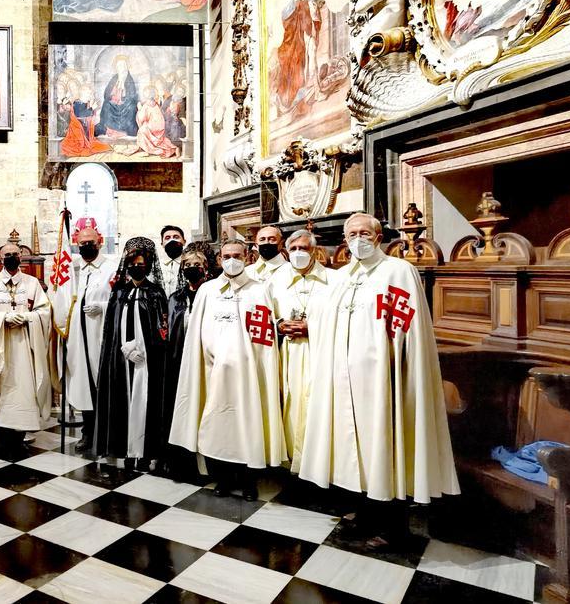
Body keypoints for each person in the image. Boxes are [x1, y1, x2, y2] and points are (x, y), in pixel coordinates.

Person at [300, 213, 458, 545]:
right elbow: (323, 322)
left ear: (378, 236)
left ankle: (392, 527)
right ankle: (364, 515)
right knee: (351, 448)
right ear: (345, 239)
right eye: (352, 233)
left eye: (364, 233)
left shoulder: (399, 272)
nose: (358, 238)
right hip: (343, 380)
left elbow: (407, 327)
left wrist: (393, 365)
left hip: (384, 380)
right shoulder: (340, 278)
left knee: (385, 446)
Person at [169, 239, 285, 501]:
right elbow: (196, 335)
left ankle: (248, 482)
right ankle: (221, 479)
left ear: (247, 257)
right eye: (227, 256)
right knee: (216, 425)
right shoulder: (208, 291)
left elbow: (265, 339)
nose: (232, 260)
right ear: (219, 260)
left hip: (248, 376)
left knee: (248, 425)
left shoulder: (259, 290)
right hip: (213, 373)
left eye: (238, 255)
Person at [94, 237, 170, 471]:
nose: (137, 267)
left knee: (145, 403)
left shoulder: (156, 293)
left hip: (147, 361)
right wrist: (124, 349)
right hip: (121, 360)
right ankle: (126, 450)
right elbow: (111, 328)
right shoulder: (119, 293)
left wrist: (144, 349)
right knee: (123, 403)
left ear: (148, 265)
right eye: (133, 263)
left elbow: (161, 329)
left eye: (141, 263)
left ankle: (145, 453)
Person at [263, 230, 336, 474]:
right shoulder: (274, 281)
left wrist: (311, 327)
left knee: (317, 404)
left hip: (321, 353)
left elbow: (342, 320)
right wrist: (279, 326)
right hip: (287, 353)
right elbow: (264, 319)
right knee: (289, 403)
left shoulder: (334, 281)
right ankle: (289, 461)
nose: (298, 254)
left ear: (314, 251)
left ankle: (317, 462)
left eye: (303, 249)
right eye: (293, 249)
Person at [0, 243, 54, 456]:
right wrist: (2, 318)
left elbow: (44, 313)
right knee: (0, 388)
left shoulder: (32, 283)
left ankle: (18, 436)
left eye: (14, 254)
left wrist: (27, 318)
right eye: (7, 254)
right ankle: (1, 436)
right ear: (1, 259)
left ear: (21, 257)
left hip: (24, 347)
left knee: (22, 389)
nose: (11, 257)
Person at [51, 225, 117, 450]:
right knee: (84, 385)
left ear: (100, 241)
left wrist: (104, 307)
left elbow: (123, 299)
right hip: (79, 339)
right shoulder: (73, 269)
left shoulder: (112, 267)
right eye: (82, 244)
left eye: (90, 242)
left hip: (102, 336)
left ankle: (107, 435)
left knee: (103, 385)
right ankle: (88, 433)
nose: (87, 246)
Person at [162, 241, 217, 478]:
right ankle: (182, 463)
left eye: (197, 264)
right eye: (187, 265)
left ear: (206, 268)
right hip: (177, 362)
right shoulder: (175, 298)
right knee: (182, 410)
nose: (191, 268)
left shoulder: (214, 294)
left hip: (206, 363)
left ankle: (208, 466)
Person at [98, 56, 139, 137]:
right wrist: (112, 95)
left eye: (123, 65)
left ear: (126, 66)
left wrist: (123, 93)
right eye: (119, 65)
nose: (121, 67)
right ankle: (108, 129)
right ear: (116, 67)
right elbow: (106, 93)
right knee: (106, 104)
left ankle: (125, 131)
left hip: (126, 104)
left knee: (131, 107)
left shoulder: (129, 79)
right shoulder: (114, 78)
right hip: (114, 103)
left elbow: (132, 95)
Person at [159, 225, 186, 295]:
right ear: (162, 244)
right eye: (167, 238)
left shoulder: (188, 264)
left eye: (176, 237)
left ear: (184, 241)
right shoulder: (157, 266)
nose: (172, 240)